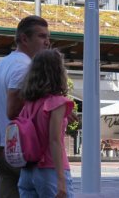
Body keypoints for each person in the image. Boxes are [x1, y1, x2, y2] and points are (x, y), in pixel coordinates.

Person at [0, 15, 50, 198]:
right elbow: (12, 111)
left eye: (48, 37)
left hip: (2, 147)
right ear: (24, 39)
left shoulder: (3, 63)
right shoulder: (24, 67)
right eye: (41, 36)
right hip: (22, 149)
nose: (47, 42)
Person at [17, 49, 74, 197]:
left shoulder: (28, 103)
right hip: (50, 171)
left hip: (27, 171)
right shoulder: (58, 103)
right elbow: (54, 141)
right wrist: (61, 179)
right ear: (58, 72)